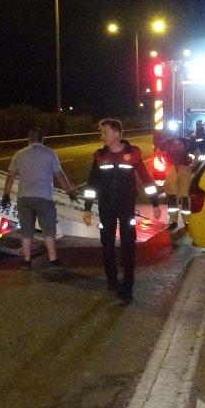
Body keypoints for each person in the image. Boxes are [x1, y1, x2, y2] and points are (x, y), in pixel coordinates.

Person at [82, 119, 161, 302]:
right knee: (107, 244)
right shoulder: (100, 156)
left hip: (126, 207)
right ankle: (112, 280)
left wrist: (155, 204)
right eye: (101, 133)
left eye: (105, 132)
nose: (102, 136)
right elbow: (92, 183)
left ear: (117, 133)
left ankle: (127, 287)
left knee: (128, 245)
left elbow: (147, 180)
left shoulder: (133, 154)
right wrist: (87, 208)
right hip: (106, 207)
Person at [1, 127, 77, 269]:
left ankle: (27, 261)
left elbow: (10, 176)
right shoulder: (50, 154)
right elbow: (59, 175)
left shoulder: (19, 154)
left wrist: (6, 195)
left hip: (24, 198)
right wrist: (70, 191)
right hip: (44, 198)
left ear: (28, 139)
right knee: (48, 230)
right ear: (43, 139)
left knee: (26, 231)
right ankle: (53, 261)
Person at [157, 123, 195, 228]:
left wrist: (192, 166)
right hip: (171, 171)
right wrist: (164, 163)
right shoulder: (166, 143)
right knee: (172, 196)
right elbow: (158, 153)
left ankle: (187, 221)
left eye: (177, 130)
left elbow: (196, 153)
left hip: (185, 170)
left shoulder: (187, 142)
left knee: (185, 196)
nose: (175, 133)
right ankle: (173, 221)